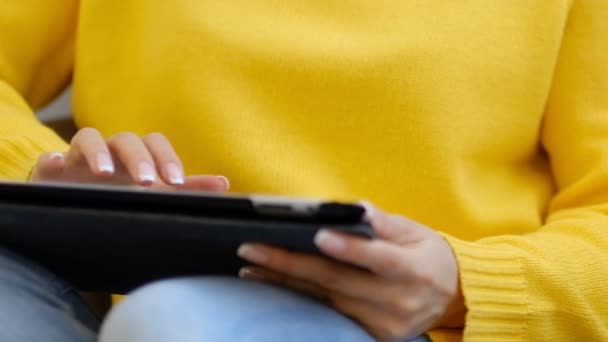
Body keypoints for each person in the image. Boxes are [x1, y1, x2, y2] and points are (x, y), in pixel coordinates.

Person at [0, 1, 606, 341]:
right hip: (85, 284)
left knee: (180, 327)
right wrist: (43, 175)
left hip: (396, 327)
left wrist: (464, 285)